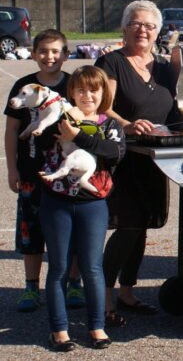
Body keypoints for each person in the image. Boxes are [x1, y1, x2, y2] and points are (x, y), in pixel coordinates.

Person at [95, 0, 183, 327]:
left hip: (157, 158)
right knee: (128, 226)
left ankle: (127, 293)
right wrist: (127, 125)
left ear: (158, 31)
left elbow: (179, 105)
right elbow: (102, 107)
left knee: (143, 225)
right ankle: (103, 297)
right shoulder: (112, 63)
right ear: (124, 28)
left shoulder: (164, 68)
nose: (142, 30)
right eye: (135, 23)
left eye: (149, 25)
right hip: (124, 157)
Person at [37, 65, 126, 351]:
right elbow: (39, 142)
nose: (87, 95)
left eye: (94, 90)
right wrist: (62, 123)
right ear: (72, 93)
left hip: (93, 204)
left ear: (104, 94)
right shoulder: (59, 117)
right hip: (57, 203)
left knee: (92, 267)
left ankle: (97, 327)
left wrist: (78, 136)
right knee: (59, 268)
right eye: (81, 90)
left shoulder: (110, 125)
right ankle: (59, 330)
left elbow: (114, 153)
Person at [4, 30, 86, 313]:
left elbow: (88, 116)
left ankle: (74, 283)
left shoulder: (73, 85)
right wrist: (12, 168)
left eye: (55, 51)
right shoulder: (24, 86)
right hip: (32, 171)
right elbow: (12, 130)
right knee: (31, 230)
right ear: (33, 53)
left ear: (66, 55)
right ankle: (31, 287)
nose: (49, 57)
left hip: (68, 171)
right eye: (43, 51)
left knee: (72, 229)